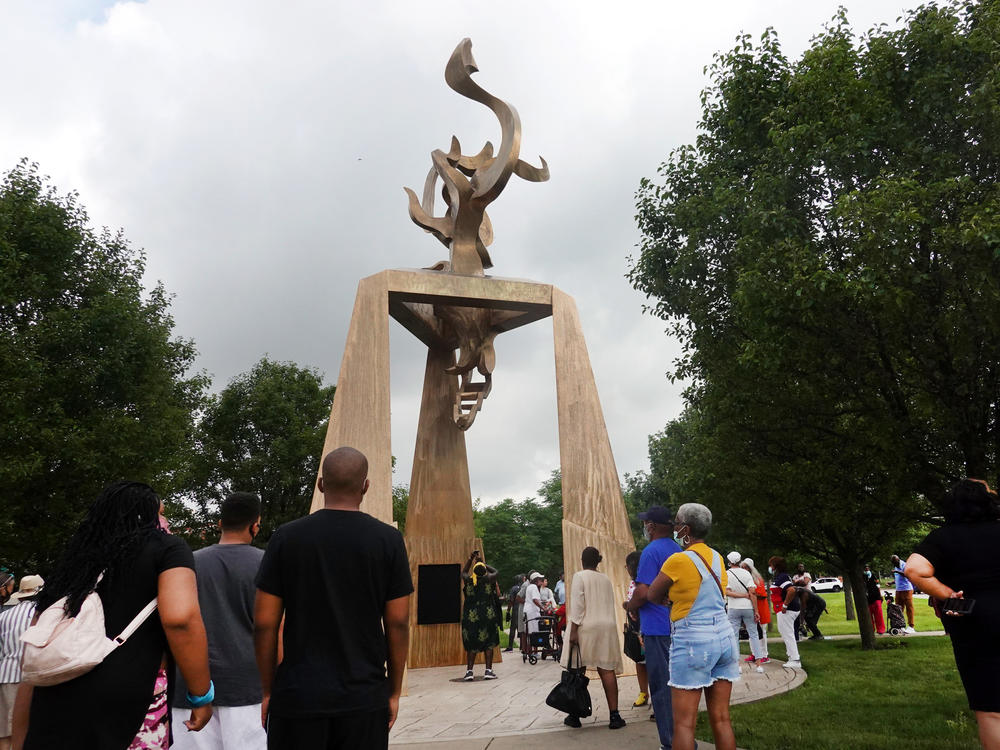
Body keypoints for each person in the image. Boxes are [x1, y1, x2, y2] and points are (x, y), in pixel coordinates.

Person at [14, 481, 213, 750]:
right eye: (162, 513)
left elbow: (36, 650)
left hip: (56, 694)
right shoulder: (168, 549)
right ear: (147, 516)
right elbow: (181, 619)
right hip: (131, 700)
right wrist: (201, 695)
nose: (165, 521)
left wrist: (19, 738)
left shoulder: (74, 563)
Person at [254, 447, 412, 750]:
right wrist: (392, 691)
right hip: (364, 697)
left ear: (321, 484)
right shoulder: (388, 541)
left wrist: (267, 690)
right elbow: (398, 622)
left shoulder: (286, 538)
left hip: (297, 697)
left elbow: (263, 623)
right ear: (365, 486)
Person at [904, 478, 1000, 749]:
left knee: (991, 708)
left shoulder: (942, 538)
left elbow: (914, 570)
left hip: (974, 624)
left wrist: (948, 594)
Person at [171, 492, 266, 750]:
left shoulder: (188, 563)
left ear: (219, 523)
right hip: (248, 687)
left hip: (190, 688)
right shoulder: (266, 564)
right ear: (255, 524)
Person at [647, 503, 739, 750]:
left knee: (684, 724)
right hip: (725, 638)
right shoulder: (719, 558)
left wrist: (669, 599)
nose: (674, 528)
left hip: (693, 642)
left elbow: (653, 594)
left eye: (677, 523)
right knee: (721, 718)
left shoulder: (677, 560)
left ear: (686, 529)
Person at [624, 505, 682, 750]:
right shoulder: (678, 549)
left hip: (657, 628)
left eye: (646, 523)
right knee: (679, 688)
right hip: (677, 625)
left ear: (653, 526)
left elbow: (644, 591)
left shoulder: (651, 551)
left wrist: (630, 605)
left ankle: (670, 744)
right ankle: (684, 740)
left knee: (660, 688)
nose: (645, 527)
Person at [561, 547, 625, 731]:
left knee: (577, 669)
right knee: (606, 670)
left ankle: (574, 715)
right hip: (606, 627)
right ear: (598, 561)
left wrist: (573, 631)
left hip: (585, 627)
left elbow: (578, 606)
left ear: (582, 560)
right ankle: (615, 715)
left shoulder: (579, 577)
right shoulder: (605, 579)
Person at [0, 576, 42, 750]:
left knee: (5, 732)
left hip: (5, 674)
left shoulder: (4, 616)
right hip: (33, 676)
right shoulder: (43, 613)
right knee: (27, 729)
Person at [460, 551, 499, 681]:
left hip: (471, 618)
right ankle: (488, 670)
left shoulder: (469, 581)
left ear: (474, 572)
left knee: (472, 644)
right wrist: (483, 563)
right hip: (487, 616)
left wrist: (471, 559)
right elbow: (496, 572)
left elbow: (463, 572)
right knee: (489, 642)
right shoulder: (488, 580)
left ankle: (469, 671)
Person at [723, 552, 764, 672]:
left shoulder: (726, 574)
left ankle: (737, 665)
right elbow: (753, 592)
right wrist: (756, 610)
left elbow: (727, 592)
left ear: (729, 562)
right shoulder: (746, 573)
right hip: (748, 607)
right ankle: (758, 664)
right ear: (740, 561)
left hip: (733, 608)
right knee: (754, 635)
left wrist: (741, 595)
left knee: (734, 636)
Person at [624, 551, 649, 707]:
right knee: (639, 661)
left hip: (647, 627)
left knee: (654, 664)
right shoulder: (633, 583)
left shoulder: (646, 582)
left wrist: (629, 606)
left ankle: (659, 696)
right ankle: (643, 693)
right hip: (636, 628)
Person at [767, 556, 802, 669]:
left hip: (787, 610)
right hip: (787, 609)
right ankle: (792, 657)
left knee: (788, 634)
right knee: (787, 633)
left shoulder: (782, 577)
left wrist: (785, 605)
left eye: (771, 565)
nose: (770, 567)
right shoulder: (782, 576)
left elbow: (791, 590)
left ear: (775, 566)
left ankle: (795, 659)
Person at [741, 558, 770, 664]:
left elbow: (762, 594)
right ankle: (755, 654)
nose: (744, 569)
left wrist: (750, 594)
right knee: (751, 633)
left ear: (750, 568)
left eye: (746, 567)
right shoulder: (745, 578)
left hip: (760, 609)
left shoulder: (757, 579)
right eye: (742, 567)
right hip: (749, 609)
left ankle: (764, 655)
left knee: (762, 633)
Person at [891, 554, 916, 633]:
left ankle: (911, 626)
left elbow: (907, 575)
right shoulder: (896, 566)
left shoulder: (905, 565)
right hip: (898, 590)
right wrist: (891, 582)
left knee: (909, 608)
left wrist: (897, 571)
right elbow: (898, 578)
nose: (894, 564)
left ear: (898, 560)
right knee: (898, 609)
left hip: (907, 589)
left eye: (895, 562)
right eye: (893, 563)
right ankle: (900, 626)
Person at [503, 575, 524, 652]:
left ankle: (510, 646)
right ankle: (522, 646)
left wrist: (508, 611)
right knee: (521, 628)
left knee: (513, 628)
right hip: (522, 609)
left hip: (516, 609)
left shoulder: (514, 588)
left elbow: (511, 600)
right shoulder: (524, 587)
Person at [522, 572, 544, 639]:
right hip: (532, 612)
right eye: (540, 579)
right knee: (534, 632)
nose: (541, 581)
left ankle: (531, 648)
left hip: (528, 611)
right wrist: (543, 608)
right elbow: (535, 600)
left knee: (530, 632)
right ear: (536, 580)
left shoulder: (529, 587)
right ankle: (534, 648)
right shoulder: (534, 587)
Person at [865, 565, 886, 635]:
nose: (867, 569)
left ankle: (881, 630)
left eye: (868, 568)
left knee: (879, 615)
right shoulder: (862, 577)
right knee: (869, 616)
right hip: (867, 599)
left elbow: (878, 586)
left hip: (876, 597)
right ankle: (871, 630)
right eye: (865, 568)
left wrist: (880, 595)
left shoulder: (873, 576)